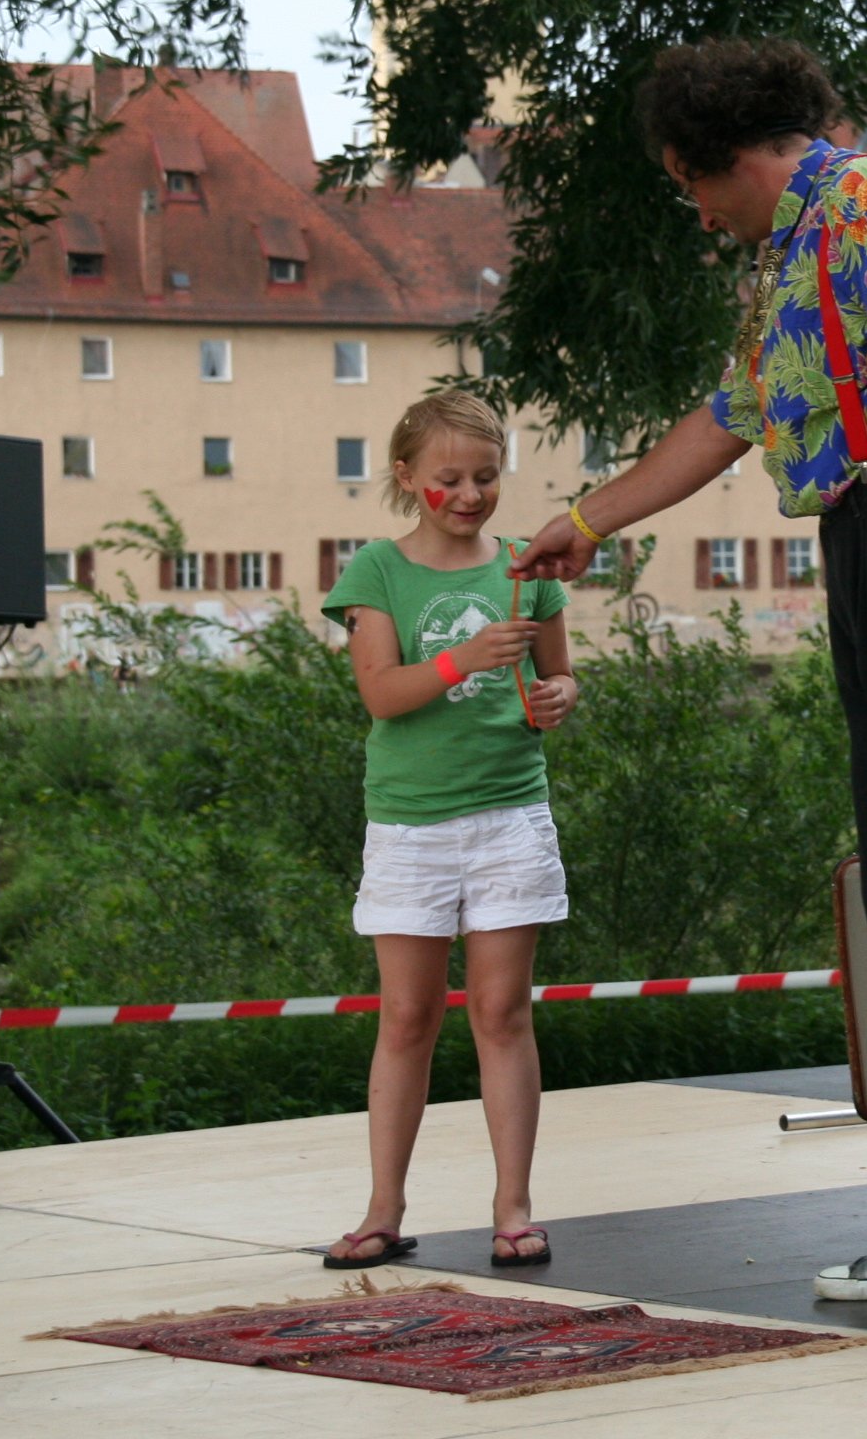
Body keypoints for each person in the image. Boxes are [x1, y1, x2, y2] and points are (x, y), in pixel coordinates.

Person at [510, 38, 867, 1318]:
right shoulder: (790, 257)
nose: (696, 213)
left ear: (711, 159)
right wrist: (590, 519)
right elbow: (730, 416)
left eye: (688, 187)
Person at [316, 392, 581, 1271]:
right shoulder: (376, 573)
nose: (469, 495)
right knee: (407, 1017)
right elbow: (381, 694)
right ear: (406, 477)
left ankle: (513, 1208)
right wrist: (460, 659)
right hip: (412, 826)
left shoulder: (528, 568)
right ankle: (382, 1209)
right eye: (450, 479)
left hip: (510, 815)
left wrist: (558, 698)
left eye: (485, 477)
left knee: (502, 1012)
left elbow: (562, 678)